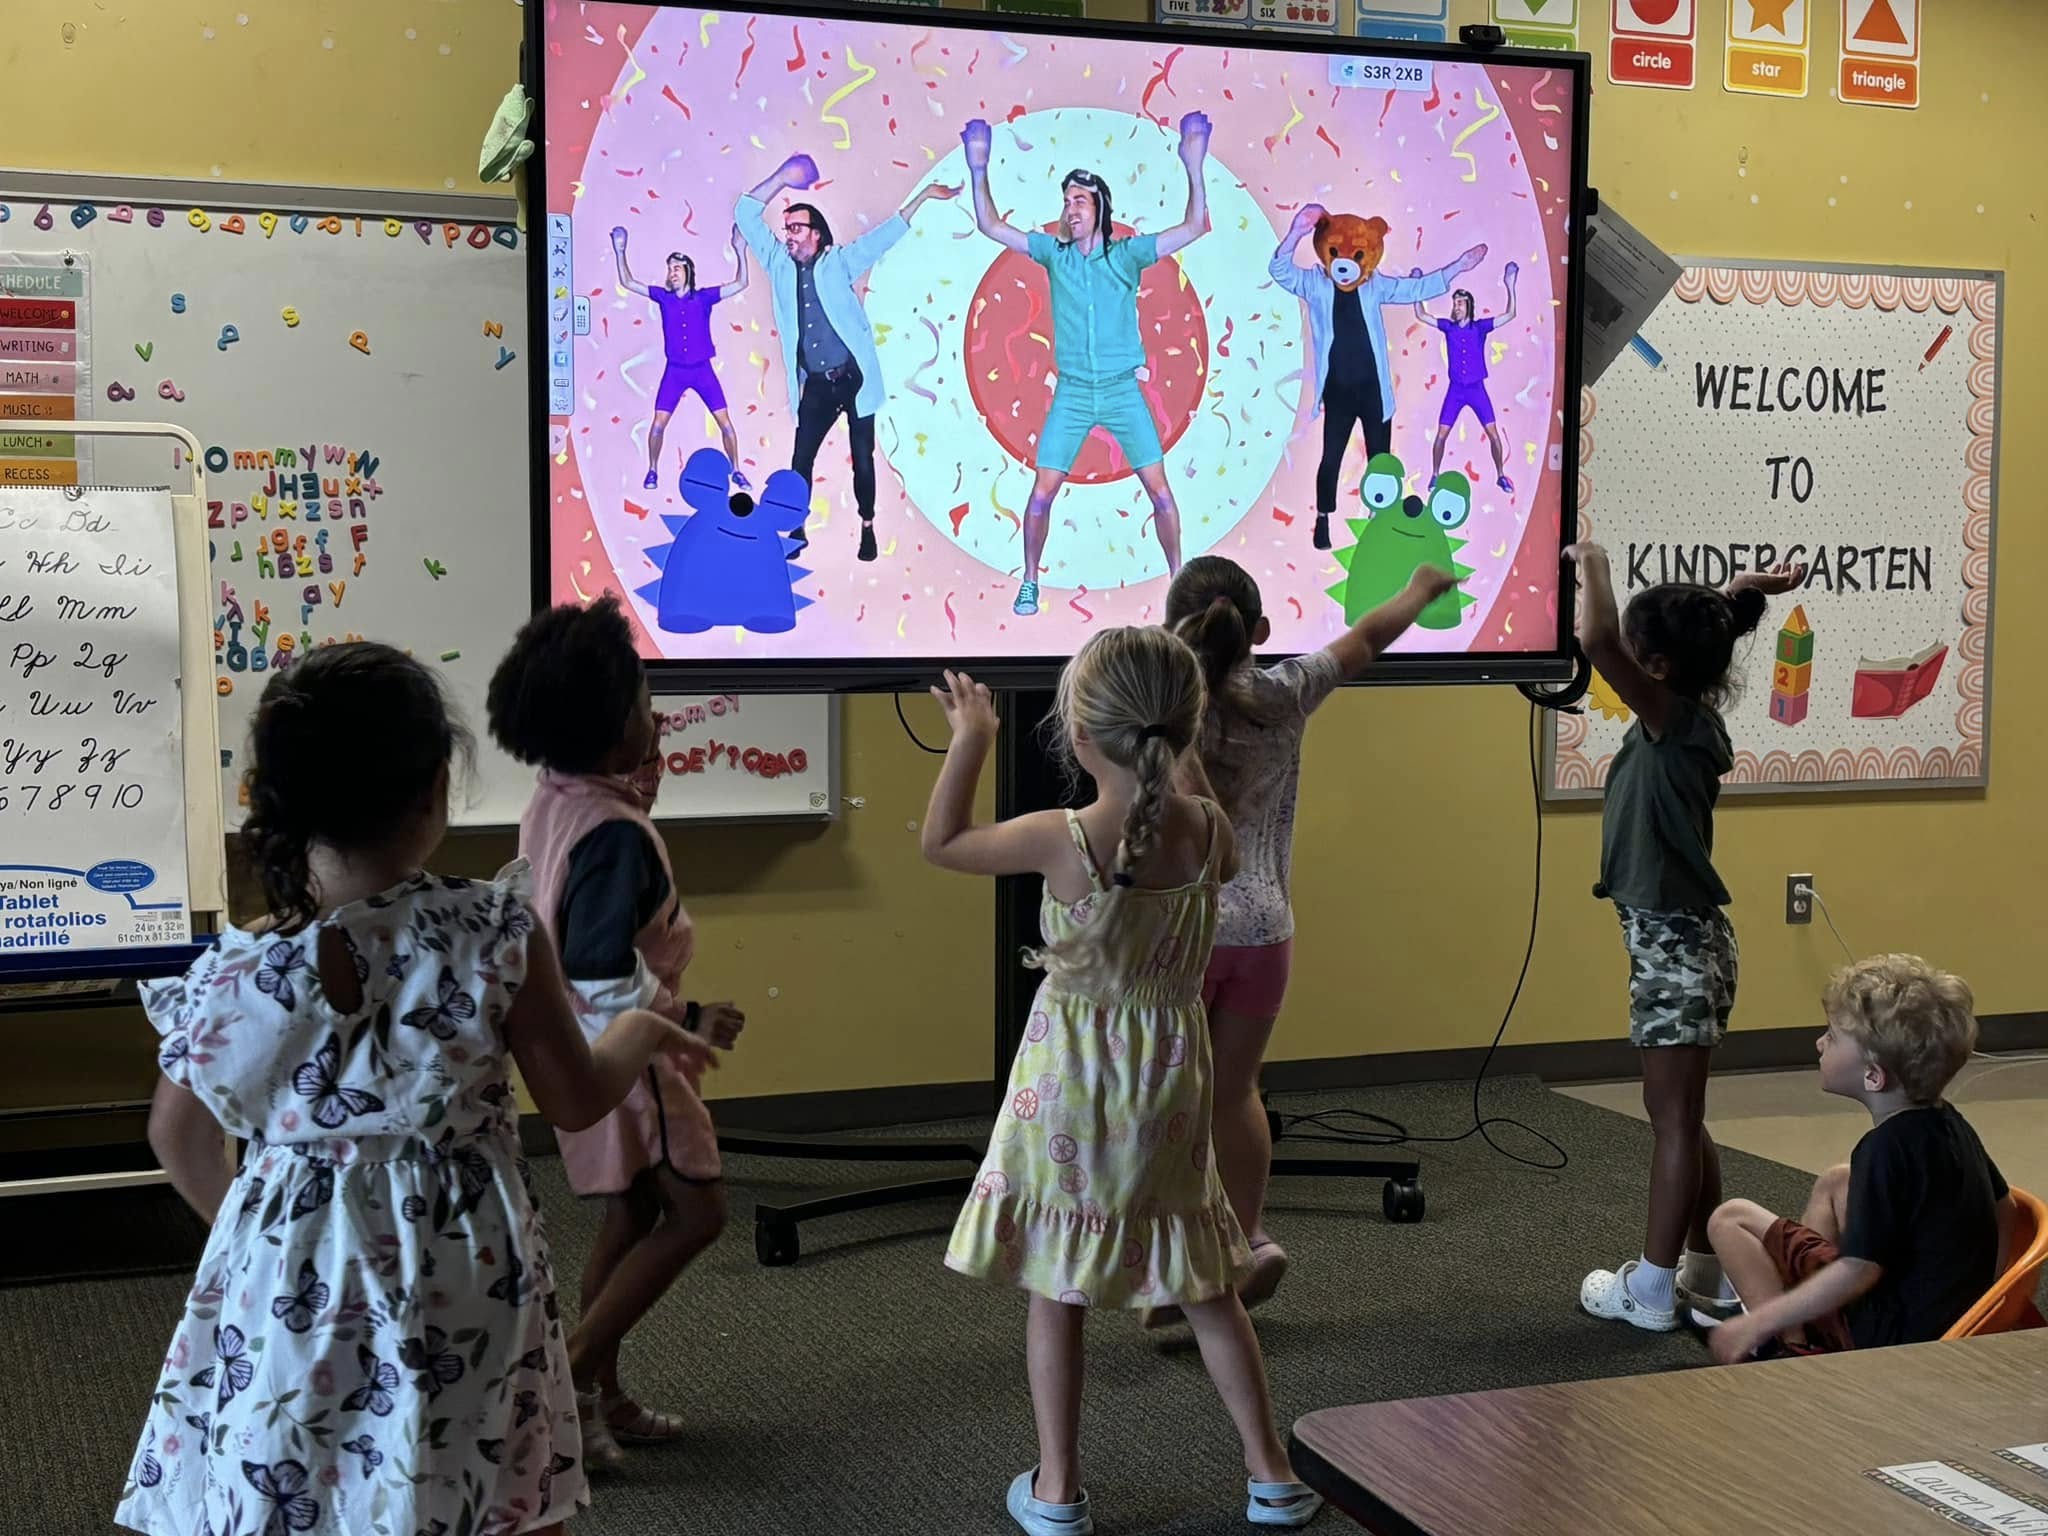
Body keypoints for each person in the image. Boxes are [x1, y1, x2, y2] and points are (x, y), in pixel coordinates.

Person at [120, 643, 705, 1536]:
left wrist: (249, 1234)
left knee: (295, 1476)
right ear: (435, 788)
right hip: (461, 1266)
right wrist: (642, 1027)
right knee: (488, 1478)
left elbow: (179, 1138)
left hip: (291, 1273)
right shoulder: (490, 930)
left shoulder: (237, 970)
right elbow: (578, 1099)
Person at [922, 631, 1324, 1535]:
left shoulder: (1060, 839)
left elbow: (941, 843)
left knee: (1056, 1286)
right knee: (1206, 1282)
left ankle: (1059, 1492)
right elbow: (1198, 833)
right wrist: (1180, 753)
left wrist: (972, 738)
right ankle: (1272, 1475)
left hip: (1072, 1086)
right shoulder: (1211, 833)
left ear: (1078, 734)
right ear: (1182, 734)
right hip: (1169, 1088)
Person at [1158, 556, 1457, 1317]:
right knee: (1237, 1092)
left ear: (1171, 630)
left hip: (1181, 932)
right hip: (1264, 931)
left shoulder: (1162, 708)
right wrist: (1420, 587)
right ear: (1258, 631)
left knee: (1171, 1099)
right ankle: (1251, 1237)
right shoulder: (1289, 691)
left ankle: (1180, 1263)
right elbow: (1369, 635)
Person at [486, 597, 745, 1468]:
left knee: (630, 1213)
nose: (657, 718)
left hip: (578, 1051)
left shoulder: (558, 795)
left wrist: (641, 769)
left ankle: (599, 1400)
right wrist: (691, 1020)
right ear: (608, 737)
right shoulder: (615, 837)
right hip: (626, 1061)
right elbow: (600, 972)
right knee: (697, 1213)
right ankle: (565, 1382)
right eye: (643, 706)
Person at [1567, 544, 1806, 1333]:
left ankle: (1653, 1289)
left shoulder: (1671, 722)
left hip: (1676, 950)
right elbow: (1684, 630)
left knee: (1671, 1121)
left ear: (1659, 667)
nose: (1623, 666)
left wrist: (1590, 561)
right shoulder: (1686, 711)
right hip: (1679, 943)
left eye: (1638, 659)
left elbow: (1596, 639)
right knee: (1684, 1113)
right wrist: (1742, 591)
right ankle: (1713, 1270)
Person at [960, 113, 1213, 617]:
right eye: (1066, 201)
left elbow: (1194, 226)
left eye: (1079, 200)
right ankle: (1029, 581)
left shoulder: (1126, 255)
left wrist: (1194, 161)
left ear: (1099, 208)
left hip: (1122, 391)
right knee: (1040, 495)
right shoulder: (1054, 254)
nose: (1070, 208)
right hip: (1074, 392)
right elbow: (990, 225)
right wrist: (978, 165)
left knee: (1160, 493)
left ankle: (1178, 584)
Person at [1706, 955, 2016, 1361]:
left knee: (1730, 1218)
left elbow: (1859, 1271)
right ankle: (1803, 1318)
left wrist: (1754, 1323)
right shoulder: (1948, 1122)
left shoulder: (1883, 1150)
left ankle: (1783, 1342)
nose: (1820, 1043)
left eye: (1832, 1036)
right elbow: (2005, 1208)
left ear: (1874, 1076)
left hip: (1886, 1337)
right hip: (1943, 1321)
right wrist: (1984, 1307)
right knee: (1838, 1180)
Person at [736, 154, 960, 562]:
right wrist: (782, 178)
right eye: (786, 228)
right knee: (800, 458)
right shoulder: (779, 266)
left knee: (863, 461)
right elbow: (746, 212)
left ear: (817, 234)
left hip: (853, 380)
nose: (787, 234)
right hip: (818, 385)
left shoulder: (839, 262)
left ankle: (868, 525)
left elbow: (886, 235)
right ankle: (796, 528)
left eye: (796, 228)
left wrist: (925, 195)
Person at [1268, 203, 1484, 550]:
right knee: (1331, 457)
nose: (1344, 264)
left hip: (1373, 392)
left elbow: (1415, 289)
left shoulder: (1375, 286)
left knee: (1380, 460)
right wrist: (1296, 231)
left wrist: (1457, 267)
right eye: (1337, 253)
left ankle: (1377, 518)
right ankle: (1323, 518)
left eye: (1354, 256)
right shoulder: (1313, 282)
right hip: (1338, 393)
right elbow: (1279, 270)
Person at [611, 225, 749, 492]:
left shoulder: (704, 297)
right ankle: (652, 470)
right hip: (675, 371)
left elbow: (742, 283)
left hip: (702, 371)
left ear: (687, 271)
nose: (671, 272)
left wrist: (740, 249)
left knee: (726, 424)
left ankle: (737, 470)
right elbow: (628, 282)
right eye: (669, 268)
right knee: (657, 426)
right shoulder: (663, 297)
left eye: (676, 268)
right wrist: (620, 250)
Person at [1414, 264, 1517, 494]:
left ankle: (1500, 475)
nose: (1456, 306)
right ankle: (1435, 474)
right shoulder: (1448, 327)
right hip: (1456, 390)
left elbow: (1510, 315)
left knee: (1493, 433)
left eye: (1460, 303)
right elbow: (1421, 314)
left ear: (1469, 305)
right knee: (1441, 435)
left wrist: (1510, 284)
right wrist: (1417, 288)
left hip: (1476, 389)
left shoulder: (1480, 328)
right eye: (1454, 303)